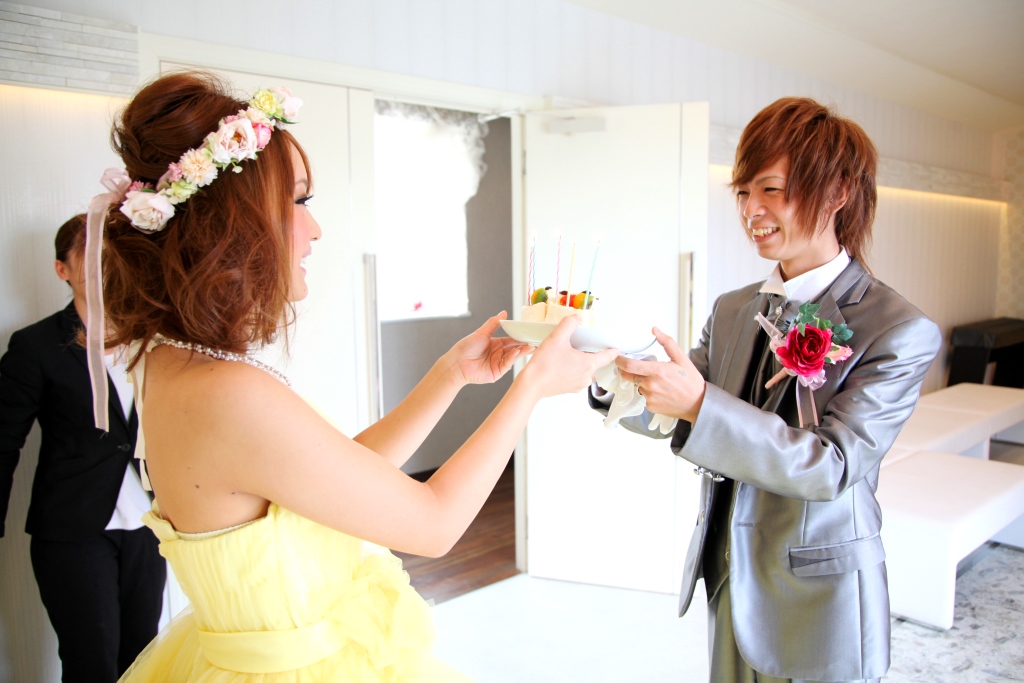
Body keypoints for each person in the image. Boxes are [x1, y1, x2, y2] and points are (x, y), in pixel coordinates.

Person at [84, 71, 616, 682]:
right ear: (231, 220)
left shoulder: (171, 362)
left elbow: (335, 476)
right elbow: (433, 525)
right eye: (298, 202)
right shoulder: (226, 391)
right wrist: (532, 388)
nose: (314, 229)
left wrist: (449, 375)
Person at [593, 97, 941, 682]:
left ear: (837, 192)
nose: (751, 210)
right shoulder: (733, 309)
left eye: (771, 190)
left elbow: (831, 466)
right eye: (743, 192)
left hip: (819, 595)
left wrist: (698, 404)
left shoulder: (898, 328)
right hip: (729, 578)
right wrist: (606, 375)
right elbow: (678, 406)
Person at [0, 214, 166, 682]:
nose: (104, 269)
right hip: (73, 530)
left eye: (112, 259)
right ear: (63, 270)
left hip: (149, 525)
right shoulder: (35, 345)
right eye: (89, 259)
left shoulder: (155, 336)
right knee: (90, 663)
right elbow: (4, 440)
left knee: (144, 660)